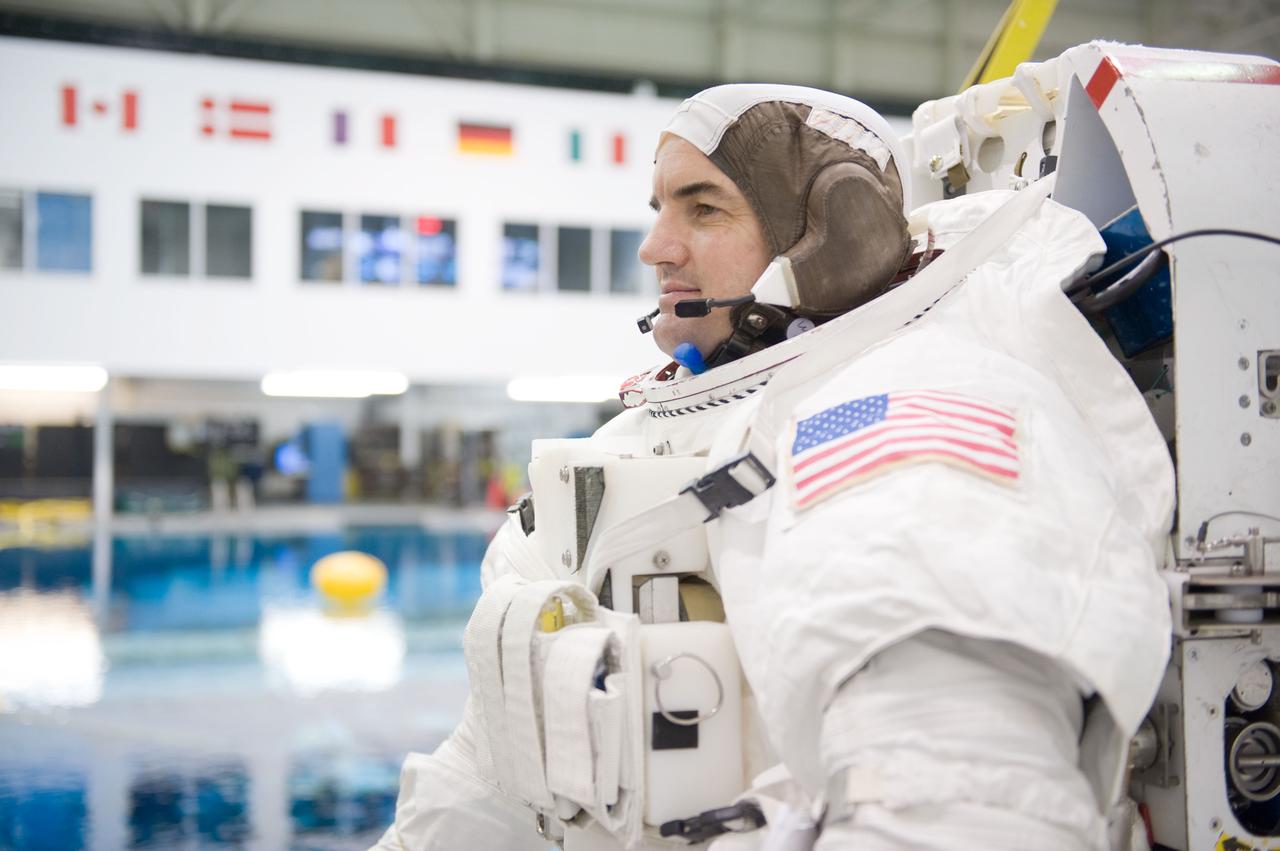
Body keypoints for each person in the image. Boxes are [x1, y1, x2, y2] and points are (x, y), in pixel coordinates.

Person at [374, 84, 1173, 851]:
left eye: (703, 209)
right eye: (660, 209)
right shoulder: (647, 442)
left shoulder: (905, 418)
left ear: (834, 233)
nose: (656, 247)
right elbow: (493, 768)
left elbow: (961, 805)